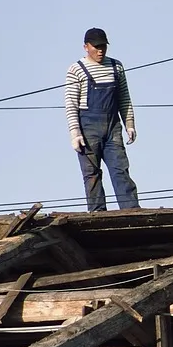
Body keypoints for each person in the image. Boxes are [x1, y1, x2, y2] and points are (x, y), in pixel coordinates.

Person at [65, 28, 141, 212]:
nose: (100, 50)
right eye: (96, 47)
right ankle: (98, 212)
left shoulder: (116, 67)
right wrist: (75, 133)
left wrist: (129, 124)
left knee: (120, 169)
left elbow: (124, 98)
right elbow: (70, 104)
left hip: (113, 127)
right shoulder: (76, 70)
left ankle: (131, 210)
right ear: (86, 47)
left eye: (103, 46)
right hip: (87, 128)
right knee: (91, 174)